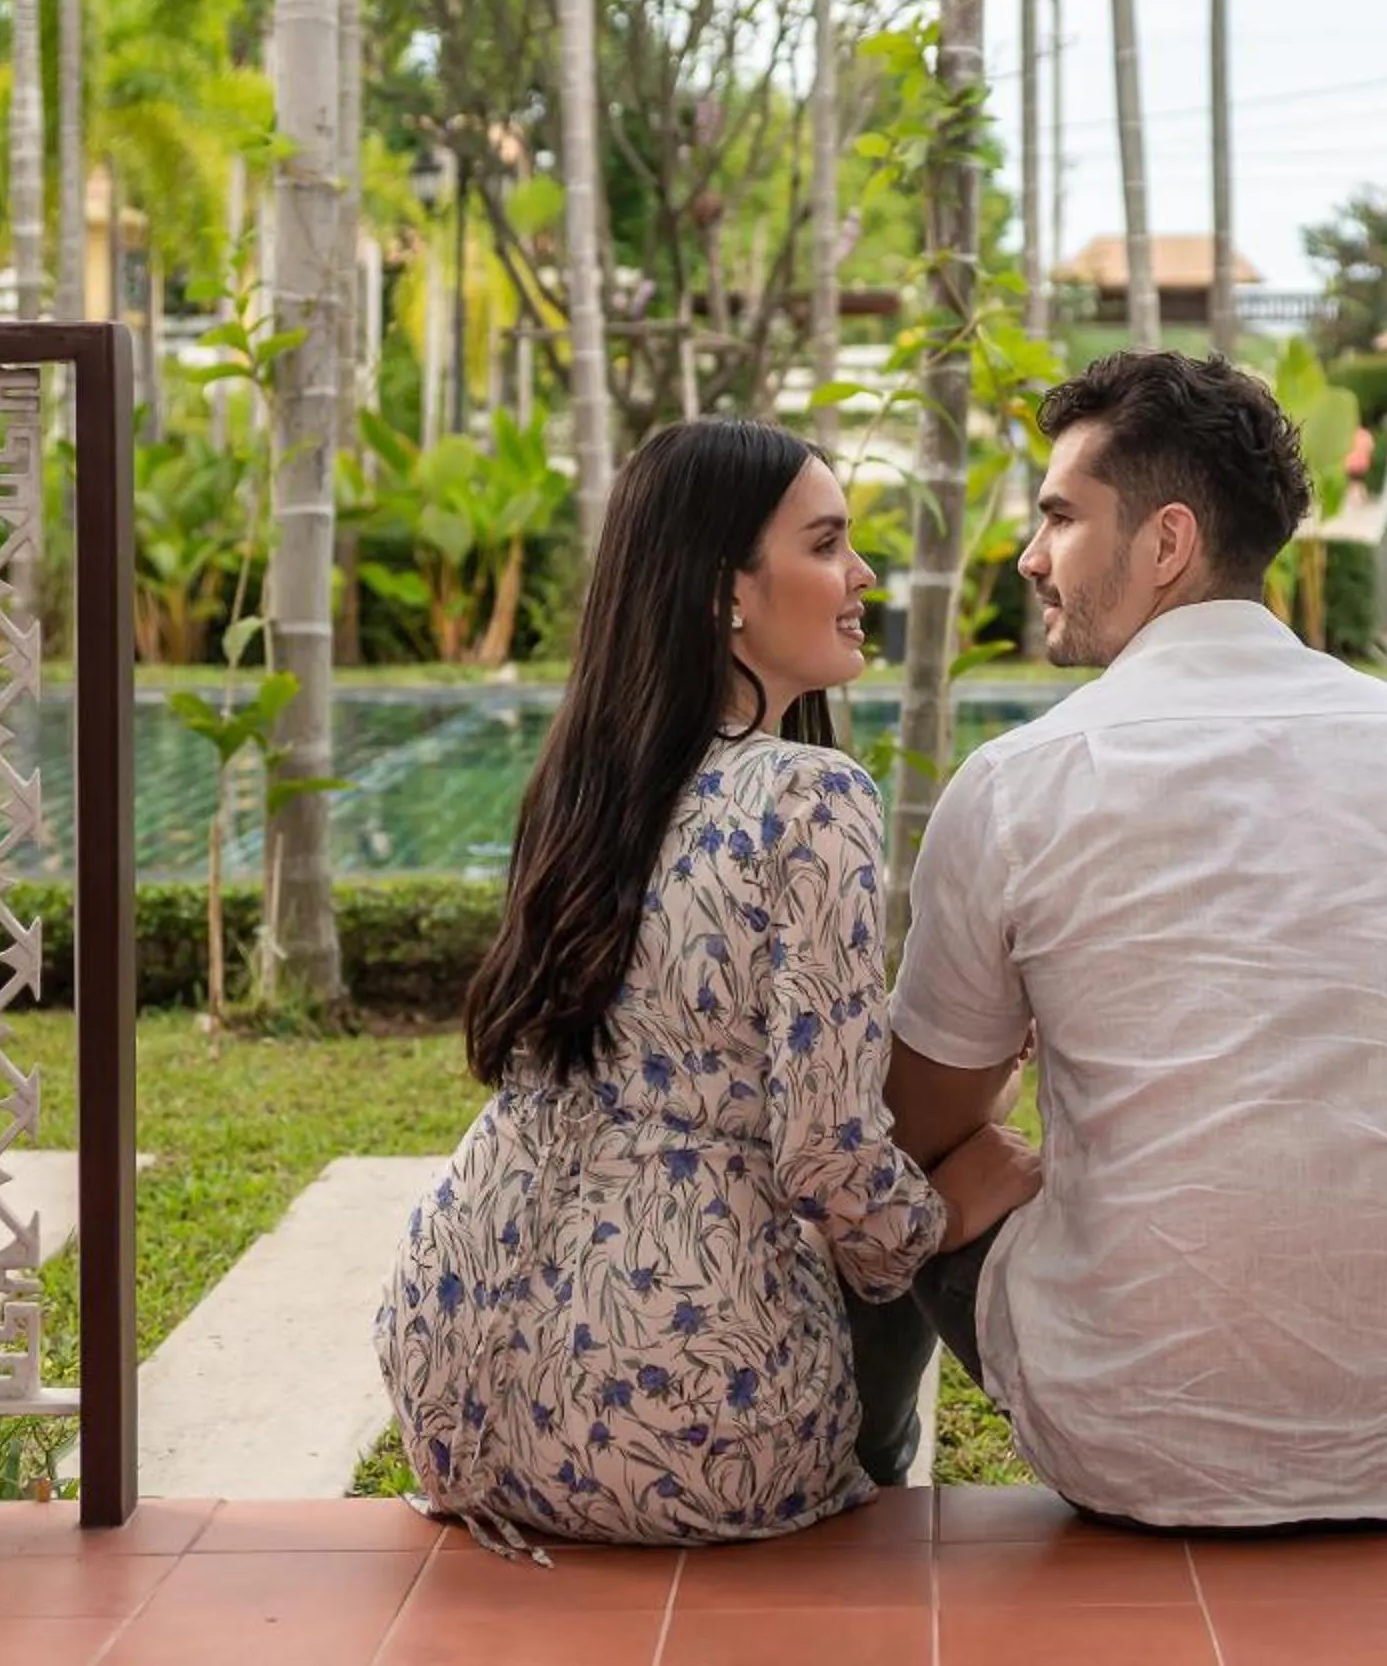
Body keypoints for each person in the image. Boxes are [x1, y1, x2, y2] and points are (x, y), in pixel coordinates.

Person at [853, 351, 1387, 1528]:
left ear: (1166, 542)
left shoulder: (1019, 783)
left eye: (1061, 517)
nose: (1031, 557)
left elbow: (914, 1125)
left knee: (907, 1168)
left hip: (1126, 1445)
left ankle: (868, 1469)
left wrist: (1014, 1104)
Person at [376, 418, 1043, 1552]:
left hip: (456, 1379)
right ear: (725, 590)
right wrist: (952, 1207)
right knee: (918, 1209)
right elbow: (826, 1158)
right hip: (685, 1419)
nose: (862, 576)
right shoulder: (813, 797)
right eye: (826, 544)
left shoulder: (587, 783)